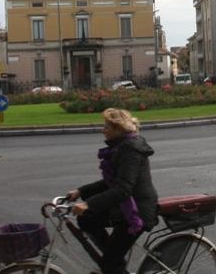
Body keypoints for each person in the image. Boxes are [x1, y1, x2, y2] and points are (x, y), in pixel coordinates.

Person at [66, 108, 159, 274]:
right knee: (87, 220)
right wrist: (81, 191)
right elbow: (112, 182)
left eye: (106, 127)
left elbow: (123, 189)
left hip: (138, 211)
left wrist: (89, 203)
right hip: (125, 206)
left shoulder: (131, 150)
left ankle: (113, 263)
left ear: (117, 129)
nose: (103, 130)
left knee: (109, 263)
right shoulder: (121, 146)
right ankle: (116, 261)